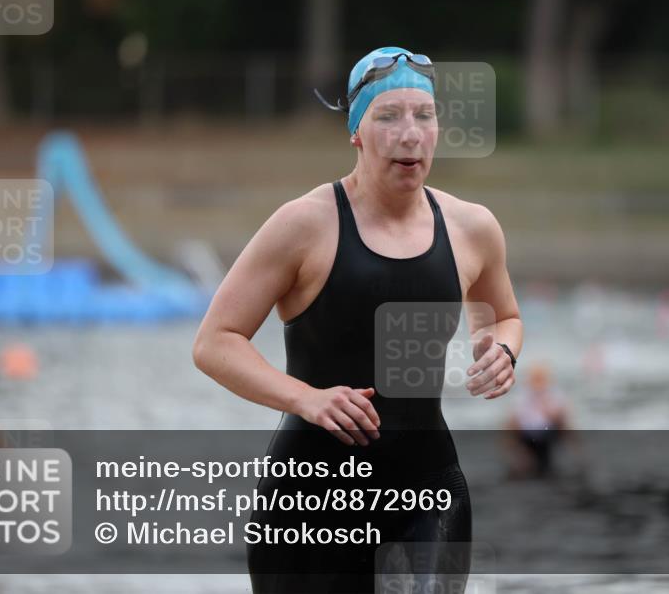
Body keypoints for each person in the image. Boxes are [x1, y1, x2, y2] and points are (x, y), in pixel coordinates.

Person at [193, 47, 523, 593]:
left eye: (424, 115)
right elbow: (214, 342)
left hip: (427, 490)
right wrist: (307, 398)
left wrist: (501, 350)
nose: (410, 133)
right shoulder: (303, 225)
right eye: (388, 116)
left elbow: (504, 316)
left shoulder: (473, 228)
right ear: (356, 132)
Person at [503, 361, 575, 478]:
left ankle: (558, 459)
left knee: (545, 460)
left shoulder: (555, 395)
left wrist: (547, 406)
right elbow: (513, 421)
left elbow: (561, 418)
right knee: (529, 458)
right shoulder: (522, 396)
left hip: (548, 434)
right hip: (526, 435)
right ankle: (523, 460)